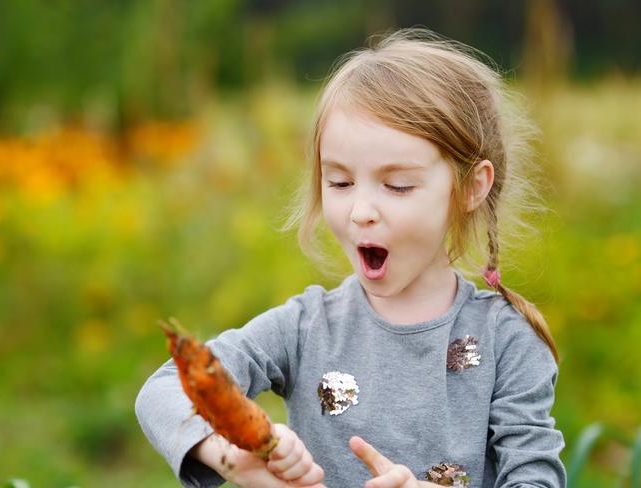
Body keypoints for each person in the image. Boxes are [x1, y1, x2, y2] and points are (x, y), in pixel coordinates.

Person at [135, 27, 567, 488]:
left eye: (397, 185)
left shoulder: (505, 340)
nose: (360, 212)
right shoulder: (305, 329)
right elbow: (163, 391)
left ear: (470, 187)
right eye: (339, 183)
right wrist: (231, 455)